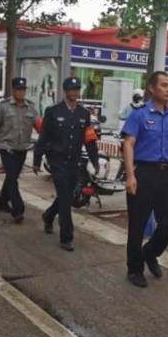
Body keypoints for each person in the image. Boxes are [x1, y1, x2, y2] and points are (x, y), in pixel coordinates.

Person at [122, 71, 168, 288]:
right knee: (137, 225)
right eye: (164, 85)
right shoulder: (139, 114)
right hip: (144, 173)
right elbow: (128, 144)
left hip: (165, 175)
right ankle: (134, 269)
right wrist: (130, 176)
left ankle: (149, 252)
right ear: (151, 88)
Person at [33, 76, 100, 251]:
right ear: (65, 91)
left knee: (67, 197)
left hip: (73, 162)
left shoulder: (84, 114)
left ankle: (48, 216)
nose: (75, 92)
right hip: (57, 161)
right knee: (64, 199)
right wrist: (37, 160)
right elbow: (43, 137)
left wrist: (95, 160)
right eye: (72, 89)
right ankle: (66, 237)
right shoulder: (53, 112)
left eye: (77, 89)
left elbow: (90, 139)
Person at [0, 77, 41, 223]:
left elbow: (39, 125)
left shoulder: (31, 107)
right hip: (6, 147)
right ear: (13, 90)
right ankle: (18, 209)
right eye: (18, 89)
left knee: (12, 177)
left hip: (22, 148)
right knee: (12, 177)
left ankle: (1, 201)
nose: (21, 92)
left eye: (23, 89)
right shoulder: (3, 106)